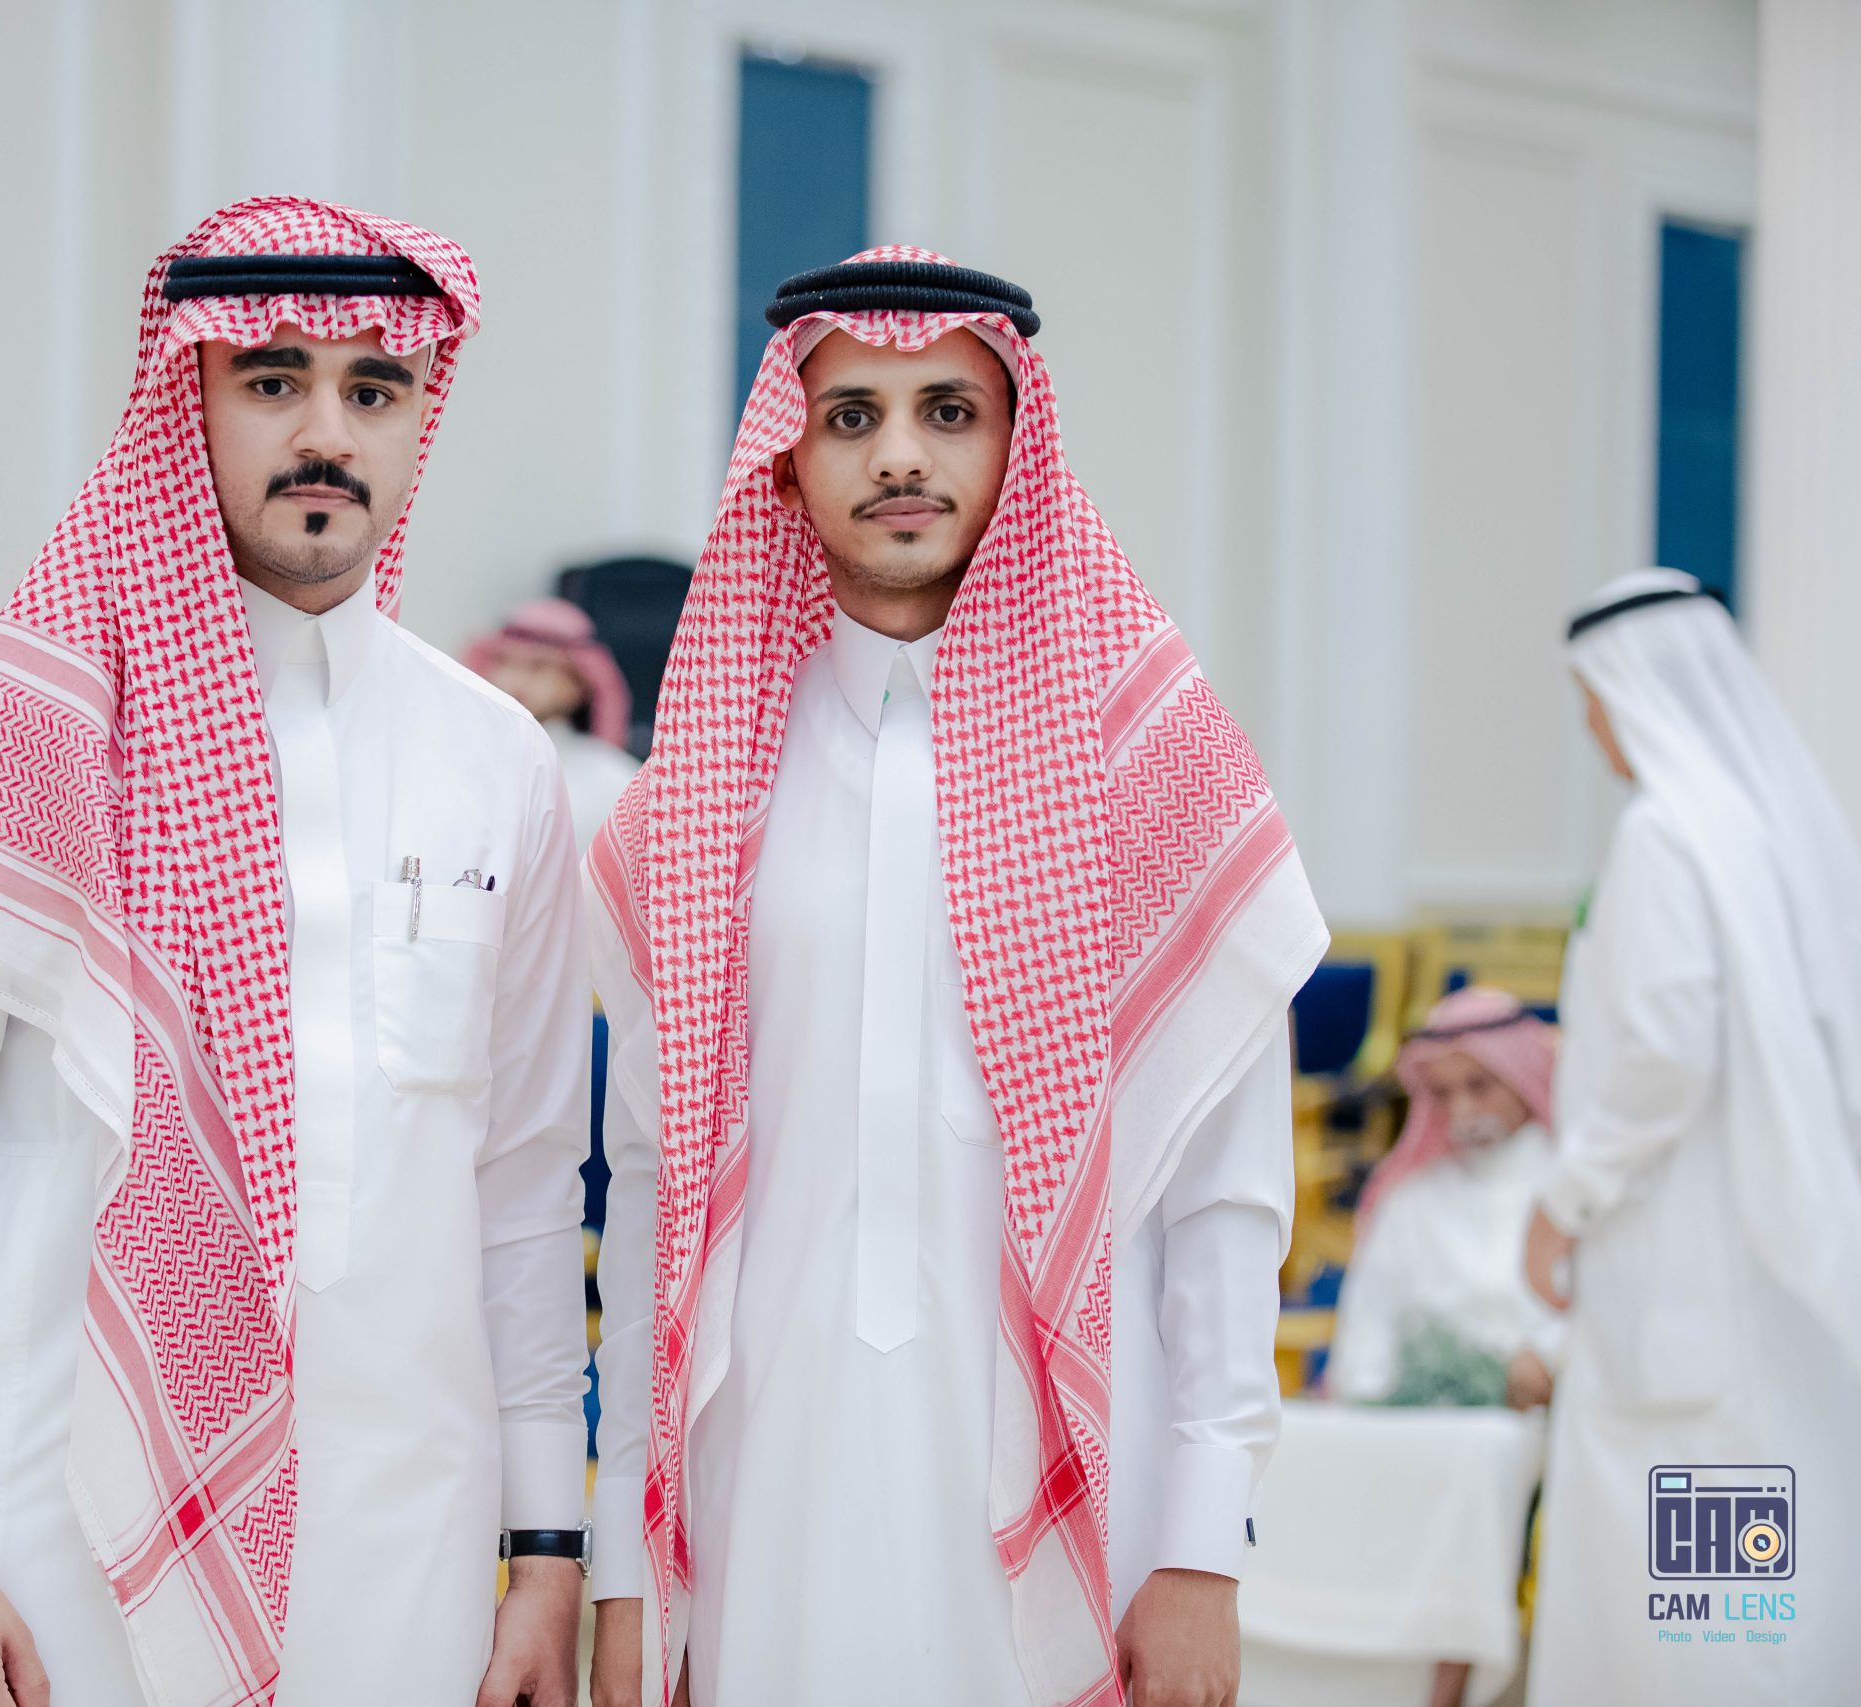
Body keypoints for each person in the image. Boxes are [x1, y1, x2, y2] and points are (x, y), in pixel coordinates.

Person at [0, 198, 591, 1707]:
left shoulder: (496, 759)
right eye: (273, 379)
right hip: (54, 1537)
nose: (326, 431)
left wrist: (544, 1549)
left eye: (375, 386)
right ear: (188, 398)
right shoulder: (24, 729)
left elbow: (527, 1185)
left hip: (407, 1542)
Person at [586, 251, 1327, 1707]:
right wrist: (623, 1562)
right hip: (761, 1488)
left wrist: (1204, 1543)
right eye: (851, 416)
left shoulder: (1150, 766)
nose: (900, 456)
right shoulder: (693, 800)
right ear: (786, 460)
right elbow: (647, 1197)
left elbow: (1225, 1196)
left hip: (1077, 1485)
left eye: (947, 410)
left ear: (1013, 444)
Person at [1523, 569, 1861, 1706]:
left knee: (1704, 1600)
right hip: (1739, 1282)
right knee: (1739, 1589)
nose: (1589, 724)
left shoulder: (1666, 835)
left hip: (1684, 1292)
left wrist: (1560, 1203)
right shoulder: (1753, 833)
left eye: (1592, 695)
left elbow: (1667, 1050)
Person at [1327, 986, 1561, 1411]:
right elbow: (1365, 1339)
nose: (1462, 1109)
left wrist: (1550, 1357)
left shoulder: (1575, 1186)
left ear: (1522, 1078)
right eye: (1442, 1093)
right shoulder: (1409, 1200)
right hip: (1432, 1428)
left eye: (1479, 1086)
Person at [462, 597, 640, 848]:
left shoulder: (616, 783)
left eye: (538, 667)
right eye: (505, 662)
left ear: (579, 684)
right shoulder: (456, 761)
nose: (514, 681)